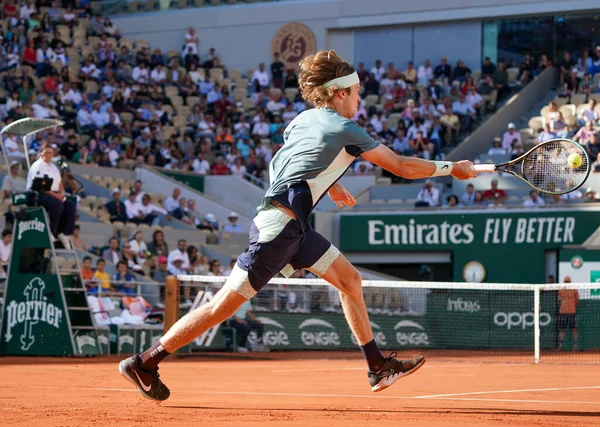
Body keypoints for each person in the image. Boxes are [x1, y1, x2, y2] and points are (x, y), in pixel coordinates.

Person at [118, 49, 477, 401]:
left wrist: (328, 182)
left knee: (349, 280)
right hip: (279, 229)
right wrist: (452, 168)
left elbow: (278, 165)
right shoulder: (345, 127)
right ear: (339, 93)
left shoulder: (303, 120)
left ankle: (377, 366)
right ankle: (144, 362)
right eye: (355, 93)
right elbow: (400, 166)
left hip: (296, 229)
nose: (359, 99)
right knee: (221, 308)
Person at [26, 143, 76, 250]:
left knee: (70, 206)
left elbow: (59, 183)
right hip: (37, 194)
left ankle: (64, 233)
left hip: (54, 193)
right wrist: (57, 196)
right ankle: (51, 231)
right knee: (56, 204)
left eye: (50, 153)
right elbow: (41, 186)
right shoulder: (37, 166)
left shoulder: (54, 168)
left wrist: (62, 194)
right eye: (46, 152)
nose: (48, 155)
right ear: (41, 153)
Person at [557, 277, 579, 351]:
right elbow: (577, 301)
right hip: (565, 312)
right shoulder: (563, 290)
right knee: (564, 330)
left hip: (569, 312)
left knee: (572, 330)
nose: (567, 283)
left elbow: (559, 299)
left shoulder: (566, 290)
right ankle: (561, 346)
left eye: (567, 282)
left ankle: (574, 346)